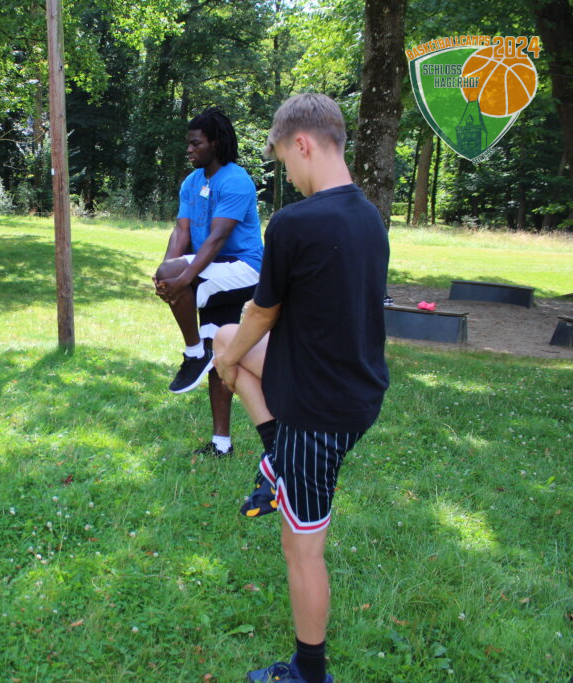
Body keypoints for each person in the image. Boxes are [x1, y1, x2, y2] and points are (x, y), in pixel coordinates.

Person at [212, 93, 390, 683]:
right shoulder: (369, 218)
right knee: (226, 338)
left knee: (302, 551)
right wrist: (230, 352)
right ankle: (274, 462)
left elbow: (264, 313)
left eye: (286, 161)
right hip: (356, 389)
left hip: (320, 414)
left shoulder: (295, 222)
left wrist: (225, 365)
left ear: (303, 144)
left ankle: (309, 672)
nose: (288, 175)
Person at [153, 107, 269, 457]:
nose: (189, 149)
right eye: (188, 143)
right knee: (222, 352)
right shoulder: (192, 182)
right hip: (214, 270)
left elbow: (218, 238)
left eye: (195, 143)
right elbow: (182, 231)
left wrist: (181, 278)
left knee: (211, 349)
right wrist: (165, 272)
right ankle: (221, 443)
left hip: (244, 269)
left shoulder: (235, 180)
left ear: (215, 143)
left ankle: (194, 352)